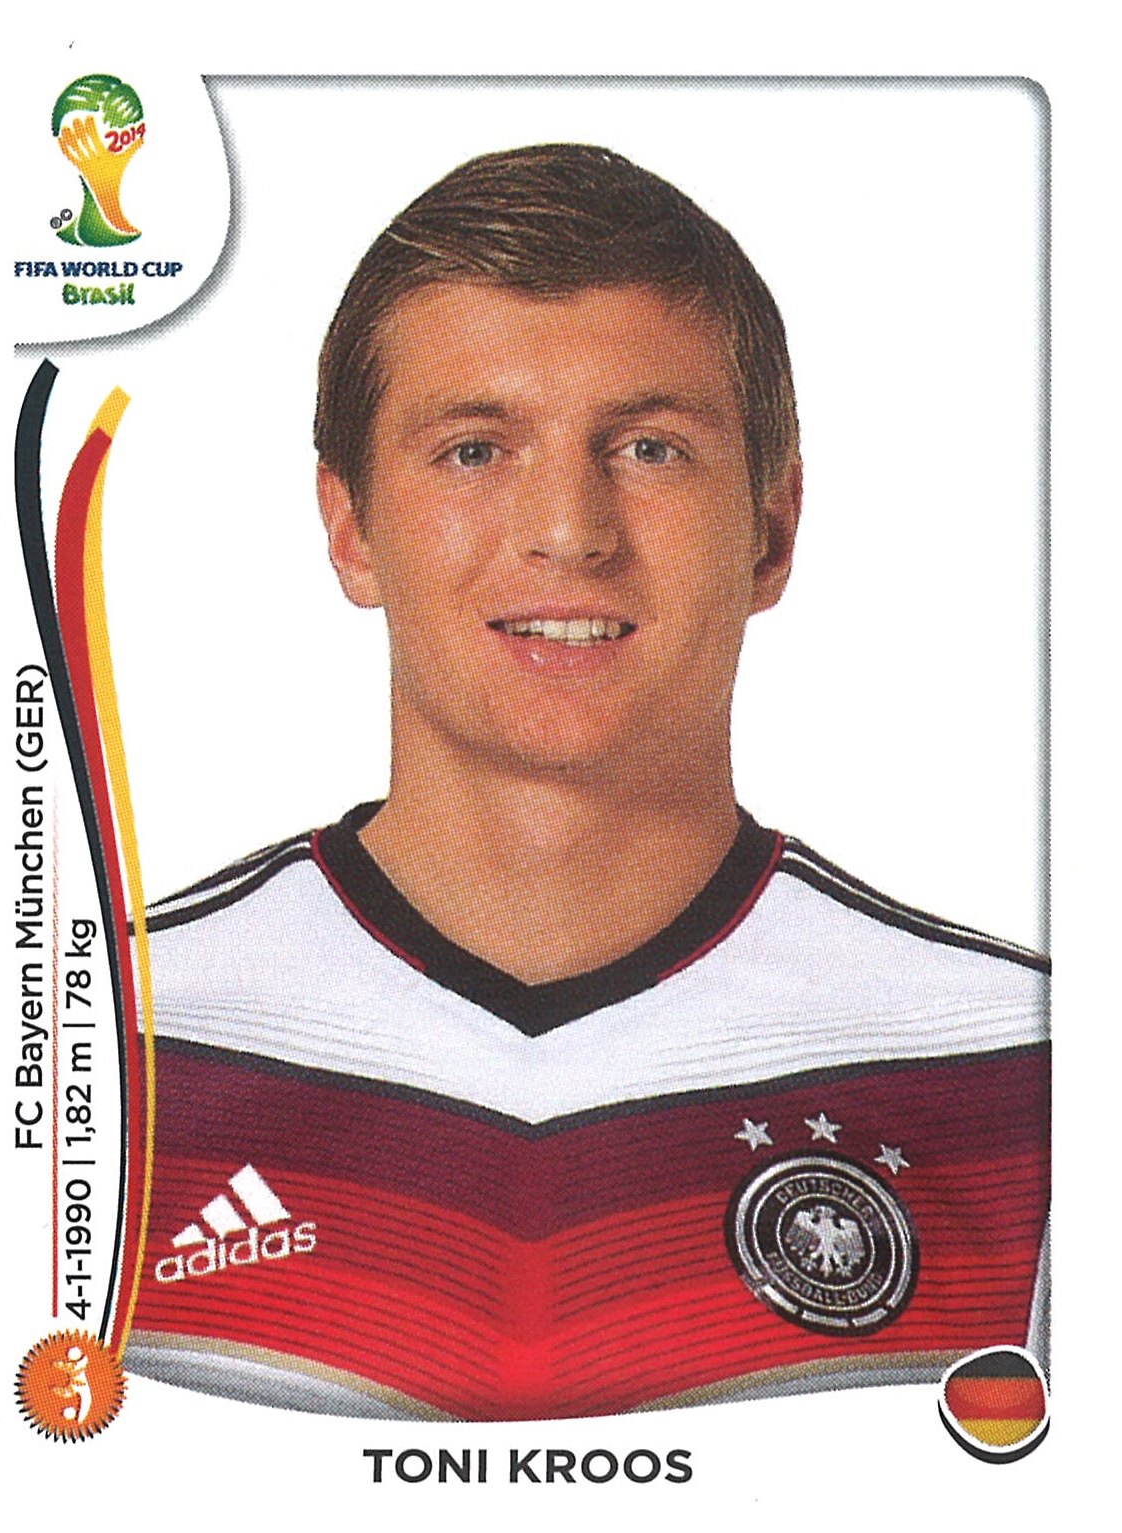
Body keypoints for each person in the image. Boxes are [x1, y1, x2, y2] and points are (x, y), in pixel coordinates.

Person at [125, 144, 1049, 1421]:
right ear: (350, 528)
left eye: (649, 448)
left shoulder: (1024, 1072)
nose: (568, 529)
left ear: (772, 529)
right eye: (473, 450)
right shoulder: (88, 1055)